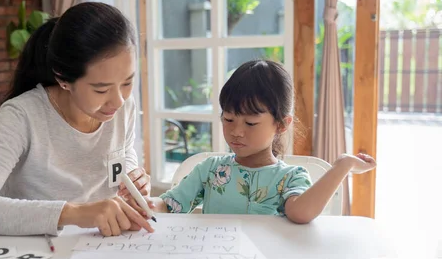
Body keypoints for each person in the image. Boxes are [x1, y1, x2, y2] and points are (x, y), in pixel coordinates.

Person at [0, 2, 154, 237]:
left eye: (127, 82)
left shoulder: (124, 108)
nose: (118, 101)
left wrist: (134, 180)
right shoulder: (22, 116)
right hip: (36, 256)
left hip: (101, 249)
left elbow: (121, 156)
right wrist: (73, 213)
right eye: (101, 89)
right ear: (63, 79)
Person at [151, 59, 376, 223]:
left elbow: (301, 213)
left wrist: (342, 166)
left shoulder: (289, 177)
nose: (236, 132)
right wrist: (146, 204)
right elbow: (169, 205)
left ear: (281, 124)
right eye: (228, 119)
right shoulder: (210, 170)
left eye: (250, 123)